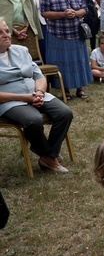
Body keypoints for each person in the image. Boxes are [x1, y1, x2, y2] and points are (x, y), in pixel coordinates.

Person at [0, 17, 73, 173]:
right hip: (10, 102)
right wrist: (25, 98)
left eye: (6, 31)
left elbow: (38, 76)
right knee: (34, 120)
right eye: (0, 33)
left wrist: (39, 92)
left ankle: (48, 155)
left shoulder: (21, 50)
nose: (6, 35)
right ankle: (50, 157)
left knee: (65, 113)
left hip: (35, 93)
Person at [40, 0, 92, 100]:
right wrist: (62, 14)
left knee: (79, 61)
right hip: (58, 34)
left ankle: (80, 89)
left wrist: (75, 13)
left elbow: (84, 9)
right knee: (62, 63)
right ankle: (66, 90)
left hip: (76, 33)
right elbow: (44, 12)